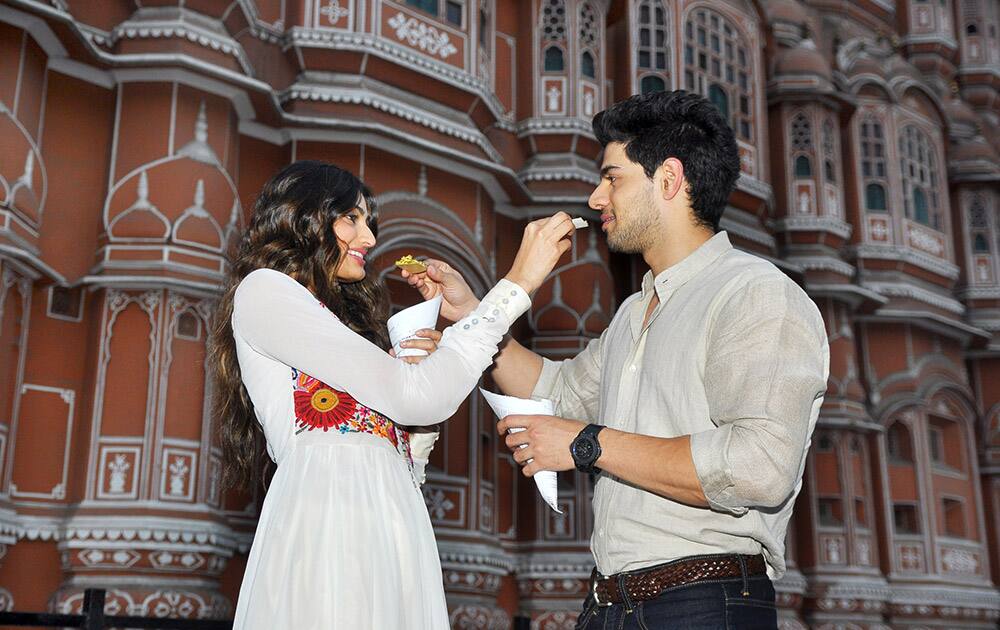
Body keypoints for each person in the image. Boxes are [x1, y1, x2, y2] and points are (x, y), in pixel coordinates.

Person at [404, 91, 830, 629]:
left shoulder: (756, 294)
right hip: (613, 604)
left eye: (613, 177)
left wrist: (586, 443)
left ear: (670, 180)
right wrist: (472, 320)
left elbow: (760, 466)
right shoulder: (636, 310)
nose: (596, 197)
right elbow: (553, 393)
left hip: (704, 603)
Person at [207, 160, 574, 629]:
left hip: (392, 519)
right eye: (352, 219)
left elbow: (408, 432)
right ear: (304, 217)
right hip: (330, 521)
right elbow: (414, 399)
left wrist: (417, 393)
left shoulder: (330, 321)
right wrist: (516, 285)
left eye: (369, 222)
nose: (370, 239)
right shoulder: (265, 291)